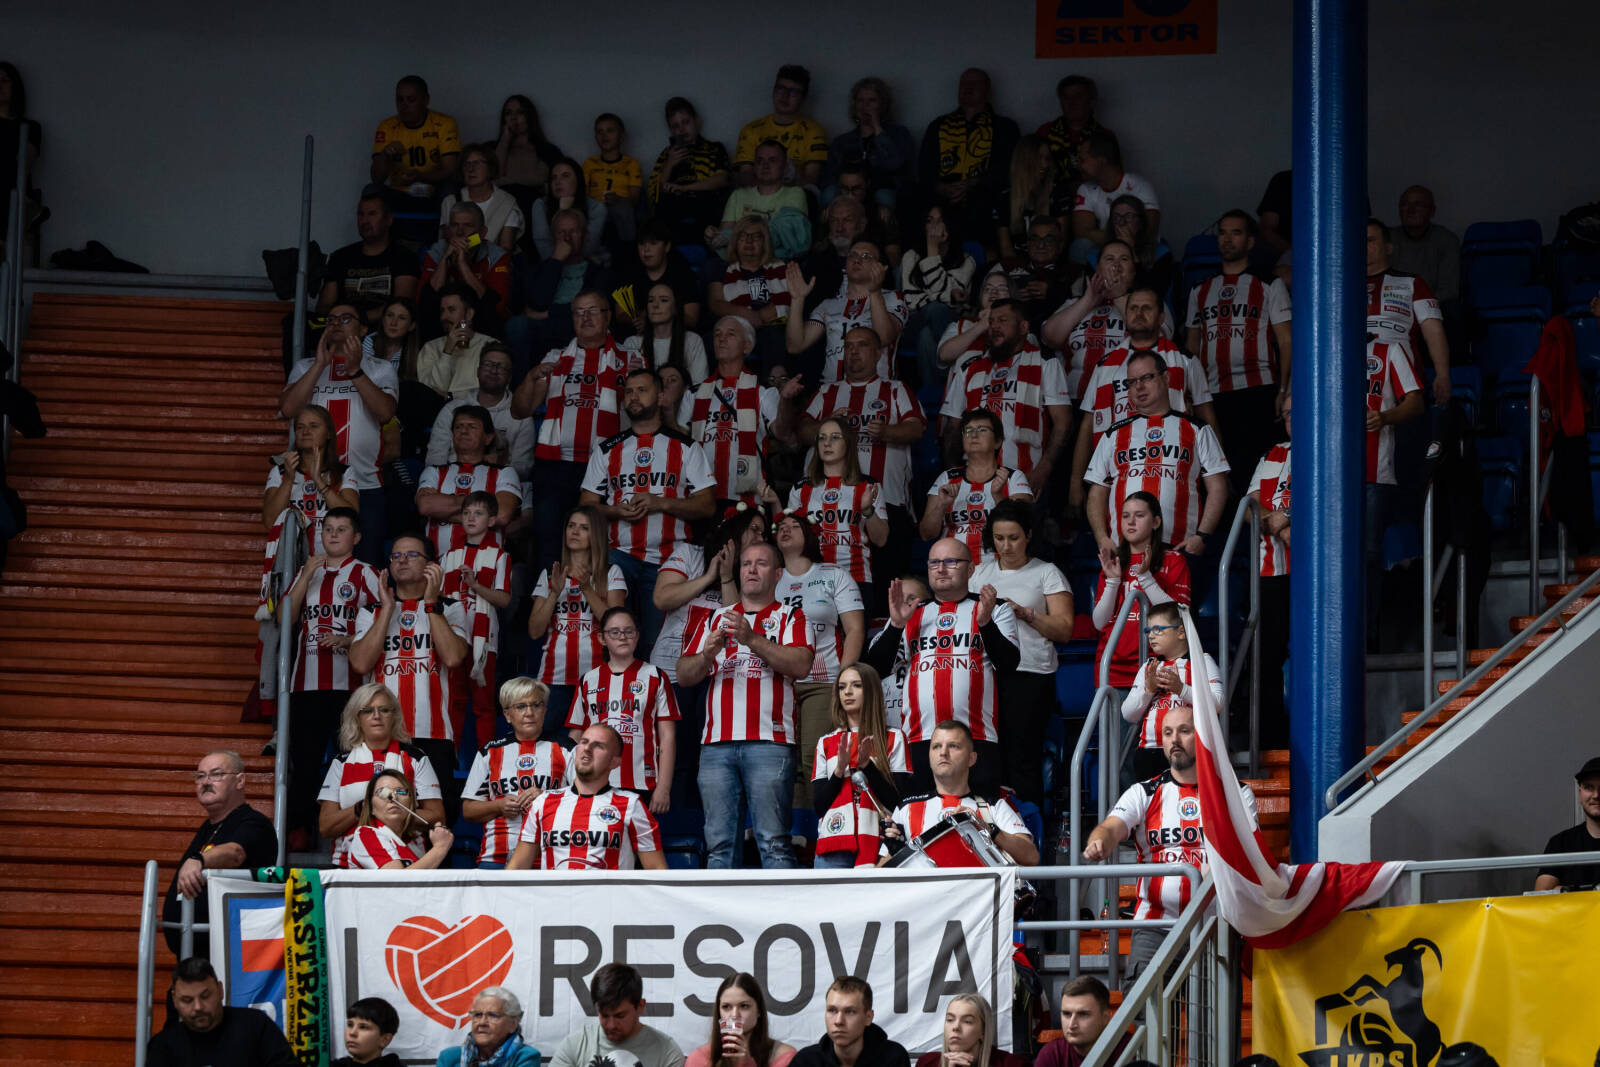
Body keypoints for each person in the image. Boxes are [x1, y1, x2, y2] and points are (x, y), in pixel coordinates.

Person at [1084, 703, 1258, 982]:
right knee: (1144, 1008)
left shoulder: (1236, 794)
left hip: (1215, 926)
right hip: (1155, 928)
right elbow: (1110, 827)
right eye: (1167, 733)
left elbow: (1247, 852)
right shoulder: (1143, 792)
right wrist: (1100, 842)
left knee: (1210, 1013)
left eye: (1184, 731)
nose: (1174, 739)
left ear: (1202, 736)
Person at [679, 542, 815, 868]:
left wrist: (752, 639)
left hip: (770, 742)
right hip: (715, 745)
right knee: (719, 846)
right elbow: (683, 675)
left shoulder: (791, 616)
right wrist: (706, 655)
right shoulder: (714, 617)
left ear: (778, 574)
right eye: (746, 564)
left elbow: (801, 665)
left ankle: (780, 904)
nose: (751, 569)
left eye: (761, 563)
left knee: (774, 842)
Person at [864, 540, 1020, 797]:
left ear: (970, 569)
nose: (941, 568)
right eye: (934, 563)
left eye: (951, 562)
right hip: (919, 739)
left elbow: (1009, 664)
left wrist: (985, 624)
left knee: (979, 816)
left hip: (977, 738)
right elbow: (874, 669)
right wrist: (895, 626)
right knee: (920, 816)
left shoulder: (995, 609)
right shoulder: (911, 613)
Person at [579, 368, 716, 651]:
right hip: (619, 554)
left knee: (656, 645)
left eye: (642, 390)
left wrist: (661, 502)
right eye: (629, 391)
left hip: (669, 559)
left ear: (661, 397)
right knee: (615, 639)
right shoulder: (607, 449)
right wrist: (616, 511)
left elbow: (707, 506)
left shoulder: (687, 447)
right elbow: (586, 506)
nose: (634, 397)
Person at [513, 290, 641, 568]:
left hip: (606, 466)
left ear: (608, 317)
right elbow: (521, 410)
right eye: (579, 312)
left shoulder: (630, 358)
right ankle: (547, 595)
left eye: (593, 311)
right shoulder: (556, 357)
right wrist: (531, 377)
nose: (586, 317)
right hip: (554, 465)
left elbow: (643, 411)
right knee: (549, 543)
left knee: (600, 545)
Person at [789, 328, 925, 590]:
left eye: (861, 345)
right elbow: (802, 431)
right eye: (848, 346)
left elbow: (916, 429)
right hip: (825, 505)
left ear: (878, 354)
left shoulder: (895, 389)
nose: (853, 351)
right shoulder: (828, 391)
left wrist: (886, 432)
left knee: (886, 587)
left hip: (887, 501)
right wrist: (827, 425)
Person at [349, 532, 470, 818]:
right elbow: (360, 663)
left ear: (431, 565)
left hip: (434, 733)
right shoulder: (371, 611)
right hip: (382, 733)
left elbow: (453, 657)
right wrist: (387, 610)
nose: (402, 560)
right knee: (379, 814)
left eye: (412, 554)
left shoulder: (451, 607)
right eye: (396, 556)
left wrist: (431, 604)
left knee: (434, 820)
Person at [751, 509, 865, 808]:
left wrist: (843, 679)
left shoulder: (833, 574)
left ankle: (823, 827)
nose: (786, 529)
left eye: (795, 525)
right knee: (782, 763)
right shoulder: (769, 578)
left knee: (812, 759)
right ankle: (794, 829)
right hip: (777, 682)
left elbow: (854, 629)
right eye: (781, 526)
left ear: (810, 535)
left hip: (823, 683)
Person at [281, 507, 382, 839]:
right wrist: (305, 576)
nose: (334, 535)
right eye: (328, 529)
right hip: (305, 684)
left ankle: (353, 828)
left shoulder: (365, 573)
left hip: (350, 687)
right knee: (305, 762)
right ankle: (300, 831)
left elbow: (385, 623)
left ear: (357, 537)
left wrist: (350, 640)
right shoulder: (307, 571)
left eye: (341, 529)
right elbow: (285, 618)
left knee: (351, 759)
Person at [1070, 285, 1217, 510]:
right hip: (1114, 472)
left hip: (1169, 470)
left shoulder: (1185, 360)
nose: (1138, 313)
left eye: (1146, 308)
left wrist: (1215, 469)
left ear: (1161, 317)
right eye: (1133, 308)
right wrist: (1075, 482)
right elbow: (1087, 425)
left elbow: (1206, 416)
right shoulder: (1104, 365)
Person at [1184, 210, 1293, 496]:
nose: (1227, 239)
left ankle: (1256, 525)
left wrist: (1284, 389)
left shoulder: (1269, 284)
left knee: (1257, 472)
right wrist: (1190, 394)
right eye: (1222, 233)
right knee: (1220, 473)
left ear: (1251, 241)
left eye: (1236, 233)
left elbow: (1286, 341)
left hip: (1259, 391)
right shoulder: (1200, 289)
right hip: (1213, 395)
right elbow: (1192, 347)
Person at [279, 305, 400, 560]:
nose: (336, 323)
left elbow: (385, 412)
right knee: (309, 565)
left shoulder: (380, 368)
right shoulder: (305, 367)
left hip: (365, 484)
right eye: (331, 318)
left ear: (363, 329)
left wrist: (355, 371)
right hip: (311, 484)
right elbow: (288, 409)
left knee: (365, 565)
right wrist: (319, 365)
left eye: (346, 318)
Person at [973, 499, 1072, 807]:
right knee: (988, 757)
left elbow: (1065, 629)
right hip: (987, 675)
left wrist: (1026, 614)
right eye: (999, 538)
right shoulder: (978, 574)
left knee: (1023, 759)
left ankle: (1029, 827)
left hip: (1030, 674)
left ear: (1028, 535)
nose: (1006, 546)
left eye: (1014, 538)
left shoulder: (1047, 572)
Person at [1084, 350, 1230, 553]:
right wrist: (1102, 538)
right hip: (1124, 550)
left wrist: (1202, 536)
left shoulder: (1197, 428)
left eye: (1146, 377)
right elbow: (1097, 491)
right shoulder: (1113, 433)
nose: (1139, 386)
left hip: (1178, 548)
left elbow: (1218, 487)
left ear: (1166, 378)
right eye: (1131, 382)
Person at [940, 298, 1070, 491]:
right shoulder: (969, 368)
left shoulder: (1046, 363)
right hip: (972, 482)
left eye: (1002, 320)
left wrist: (1044, 469)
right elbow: (952, 427)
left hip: (1025, 480)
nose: (994, 327)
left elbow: (1063, 423)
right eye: (991, 321)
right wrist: (953, 474)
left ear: (1023, 327)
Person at [162, 752, 276, 956]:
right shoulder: (208, 827)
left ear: (240, 781)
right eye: (200, 776)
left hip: (229, 957)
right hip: (194, 955)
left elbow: (235, 852)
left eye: (216, 774)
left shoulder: (254, 822)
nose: (206, 782)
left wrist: (199, 860)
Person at [507, 723, 667, 870]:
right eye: (583, 742)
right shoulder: (543, 802)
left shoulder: (632, 805)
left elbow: (658, 871)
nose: (587, 749)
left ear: (615, 762)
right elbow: (516, 868)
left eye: (598, 746)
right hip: (555, 894)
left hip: (608, 894)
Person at [319, 683, 444, 868]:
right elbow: (325, 826)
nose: (376, 716)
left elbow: (437, 817)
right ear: (357, 717)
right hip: (349, 865)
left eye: (384, 710)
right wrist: (361, 808)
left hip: (409, 861)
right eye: (367, 710)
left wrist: (394, 810)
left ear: (394, 716)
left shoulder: (415, 758)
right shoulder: (341, 762)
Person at [570, 607, 681, 812]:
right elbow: (576, 737)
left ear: (637, 636)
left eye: (629, 631)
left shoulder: (655, 676)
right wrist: (574, 781)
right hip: (595, 782)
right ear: (602, 638)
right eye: (615, 632)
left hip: (642, 783)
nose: (622, 637)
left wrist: (664, 788)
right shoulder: (588, 680)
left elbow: (667, 737)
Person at [883, 721, 1038, 865]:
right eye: (936, 746)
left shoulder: (994, 806)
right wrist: (894, 853)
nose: (943, 752)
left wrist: (988, 829)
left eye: (953, 746)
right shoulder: (906, 809)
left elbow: (1032, 858)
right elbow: (878, 874)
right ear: (929, 756)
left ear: (972, 758)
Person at [530, 506, 629, 729]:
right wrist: (554, 593)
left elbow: (617, 627)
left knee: (596, 742)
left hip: (598, 676)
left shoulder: (611, 572)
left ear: (596, 536)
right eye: (571, 526)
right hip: (552, 678)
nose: (575, 531)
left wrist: (587, 588)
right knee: (549, 744)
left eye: (584, 528)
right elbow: (535, 631)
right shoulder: (550, 574)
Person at [462, 677, 571, 868]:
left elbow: (587, 802)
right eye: (521, 707)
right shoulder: (490, 752)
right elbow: (468, 811)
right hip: (496, 856)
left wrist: (547, 798)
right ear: (507, 715)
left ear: (545, 710)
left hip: (550, 857)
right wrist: (498, 805)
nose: (529, 712)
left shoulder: (567, 748)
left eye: (536, 705)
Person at [811, 664, 910, 868]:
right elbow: (819, 807)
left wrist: (867, 766)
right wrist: (839, 771)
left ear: (871, 691)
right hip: (833, 845)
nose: (847, 692)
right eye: (842, 687)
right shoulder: (826, 742)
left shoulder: (894, 738)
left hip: (879, 843)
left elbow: (899, 804)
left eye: (856, 685)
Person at [780, 417, 889, 601]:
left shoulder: (869, 485)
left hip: (856, 578)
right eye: (822, 438)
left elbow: (881, 539)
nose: (827, 443)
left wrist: (867, 510)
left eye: (835, 437)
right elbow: (788, 538)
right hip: (810, 578)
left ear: (849, 443)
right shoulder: (800, 488)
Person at [1091, 491, 1190, 690]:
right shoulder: (1114, 563)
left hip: (1158, 669)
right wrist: (1113, 582)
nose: (1130, 521)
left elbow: (1179, 616)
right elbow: (1099, 623)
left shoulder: (1173, 560)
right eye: (1125, 516)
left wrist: (1145, 578)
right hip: (1112, 669)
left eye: (1139, 515)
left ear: (1156, 522)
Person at [440, 491, 513, 746]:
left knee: (483, 705)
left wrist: (475, 585)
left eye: (478, 513)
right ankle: (450, 759)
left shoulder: (499, 556)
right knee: (454, 701)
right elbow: (440, 597)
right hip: (453, 638)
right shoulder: (449, 555)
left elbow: (504, 599)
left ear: (491, 520)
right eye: (467, 513)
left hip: (484, 639)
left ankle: (487, 761)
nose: (471, 518)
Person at [1362, 334, 1423, 641]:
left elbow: (1415, 401)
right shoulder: (1323, 348)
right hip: (1329, 477)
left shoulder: (1388, 350)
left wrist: (1385, 417)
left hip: (1375, 473)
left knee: (1369, 555)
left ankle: (1369, 635)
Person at [1121, 601, 1221, 782]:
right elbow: (1128, 714)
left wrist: (1181, 689)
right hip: (1149, 751)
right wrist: (1148, 690)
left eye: (1158, 629)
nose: (1151, 636)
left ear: (1181, 632)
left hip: (1189, 751)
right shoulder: (1148, 667)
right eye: (1148, 630)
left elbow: (1218, 703)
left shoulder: (1202, 661)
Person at [920, 69, 1020, 248]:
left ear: (987, 91)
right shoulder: (939, 125)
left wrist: (972, 183)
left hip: (982, 192)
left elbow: (1008, 169)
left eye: (975, 83)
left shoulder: (1005, 127)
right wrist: (941, 187)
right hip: (942, 193)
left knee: (984, 199)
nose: (968, 87)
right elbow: (924, 167)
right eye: (964, 83)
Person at [687, 317, 783, 504]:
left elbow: (782, 432)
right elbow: (679, 439)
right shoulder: (693, 393)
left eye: (730, 334)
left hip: (749, 500)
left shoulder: (763, 391)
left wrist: (785, 400)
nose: (721, 339)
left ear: (747, 346)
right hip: (702, 501)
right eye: (717, 334)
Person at [785, 240, 908, 386]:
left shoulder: (893, 298)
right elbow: (795, 345)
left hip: (878, 390)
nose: (857, 260)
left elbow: (883, 338)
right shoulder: (828, 305)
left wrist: (874, 291)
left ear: (881, 267)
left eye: (866, 256)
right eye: (852, 255)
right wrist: (797, 300)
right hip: (831, 391)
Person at [509, 208, 620, 366]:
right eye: (561, 232)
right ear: (553, 237)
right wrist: (556, 260)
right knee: (517, 325)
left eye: (573, 231)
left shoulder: (599, 273)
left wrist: (547, 313)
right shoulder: (541, 269)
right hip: (545, 330)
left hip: (577, 327)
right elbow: (537, 303)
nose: (567, 238)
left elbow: (593, 309)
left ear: (584, 235)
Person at [921, 409, 1033, 565]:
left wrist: (998, 496)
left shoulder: (1013, 477)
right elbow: (926, 534)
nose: (973, 435)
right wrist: (941, 506)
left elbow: (1024, 527)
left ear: (997, 441)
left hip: (999, 567)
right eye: (968, 430)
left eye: (982, 430)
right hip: (953, 568)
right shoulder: (947, 478)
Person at [1040, 239, 1146, 402]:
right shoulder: (1076, 303)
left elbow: (1151, 338)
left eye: (1124, 259)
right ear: (1098, 268)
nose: (1116, 266)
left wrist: (1118, 296)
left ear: (1133, 271)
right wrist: (1088, 301)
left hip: (1125, 400)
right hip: (1074, 399)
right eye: (1109, 259)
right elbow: (1050, 338)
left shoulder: (1149, 304)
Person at [146, 958, 296, 1067]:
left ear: (220, 990)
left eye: (205, 996)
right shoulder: (163, 1046)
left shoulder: (256, 1026)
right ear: (174, 999)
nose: (198, 1007)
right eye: (187, 1000)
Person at [415, 405, 521, 559]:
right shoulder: (434, 471)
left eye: (472, 427)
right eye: (458, 427)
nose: (464, 431)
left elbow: (502, 515)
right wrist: (483, 508)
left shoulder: (504, 473)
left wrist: (442, 512)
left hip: (486, 565)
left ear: (488, 437)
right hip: (437, 566)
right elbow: (426, 505)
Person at [1246, 398, 1292, 748]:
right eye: (1287, 413)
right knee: (1266, 660)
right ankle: (1273, 744)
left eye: (1297, 411)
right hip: (1270, 573)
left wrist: (1287, 516)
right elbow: (1250, 506)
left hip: (1316, 576)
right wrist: (1281, 525)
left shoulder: (1333, 445)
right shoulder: (1273, 454)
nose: (1291, 418)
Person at [1367, 217, 1450, 406]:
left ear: (1388, 248)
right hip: (1354, 375)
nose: (1364, 245)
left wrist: (1443, 375)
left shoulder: (1412, 282)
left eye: (1371, 240)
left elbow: (1433, 330)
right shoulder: (1340, 287)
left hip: (1403, 380)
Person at [426, 344, 535, 485]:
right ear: (478, 371)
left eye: (501, 367)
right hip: (451, 482)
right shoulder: (452, 409)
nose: (494, 370)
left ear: (509, 377)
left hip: (499, 485)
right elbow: (435, 458)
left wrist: (500, 467)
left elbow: (524, 468)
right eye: (488, 364)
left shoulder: (521, 415)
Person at [263, 404, 360, 555]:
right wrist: (288, 479)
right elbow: (270, 522)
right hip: (291, 560)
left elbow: (351, 519)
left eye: (314, 426)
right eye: (300, 427)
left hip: (332, 558)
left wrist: (319, 481)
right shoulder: (280, 471)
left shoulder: (344, 472)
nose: (306, 431)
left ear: (328, 433)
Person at [549, 963, 687, 1067]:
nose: (611, 1025)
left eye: (620, 1016)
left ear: (640, 1006)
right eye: (604, 1015)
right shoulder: (575, 1045)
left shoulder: (667, 1052)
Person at [318, 192, 421, 326]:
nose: (365, 221)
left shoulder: (405, 257)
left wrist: (355, 319)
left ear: (389, 219)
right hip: (342, 328)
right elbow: (324, 307)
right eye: (361, 214)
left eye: (372, 214)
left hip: (385, 330)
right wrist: (345, 321)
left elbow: (401, 307)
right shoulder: (340, 257)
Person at [902, 204, 977, 385]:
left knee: (927, 336)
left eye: (940, 220)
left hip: (951, 323)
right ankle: (953, 376)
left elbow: (952, 304)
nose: (934, 226)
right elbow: (912, 302)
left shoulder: (967, 261)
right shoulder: (910, 256)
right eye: (929, 221)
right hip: (916, 320)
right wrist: (948, 297)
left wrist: (932, 250)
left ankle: (933, 390)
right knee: (936, 309)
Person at [709, 216, 795, 369]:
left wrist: (760, 317)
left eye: (756, 237)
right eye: (743, 236)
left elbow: (790, 301)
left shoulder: (783, 267)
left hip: (776, 327)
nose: (749, 241)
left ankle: (776, 379)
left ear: (765, 242)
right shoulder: (722, 269)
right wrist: (750, 316)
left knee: (773, 334)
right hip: (739, 327)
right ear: (735, 241)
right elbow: (716, 304)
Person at [647, 96, 733, 246]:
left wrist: (685, 188)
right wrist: (669, 164)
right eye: (675, 126)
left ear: (696, 121)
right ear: (671, 130)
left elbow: (722, 180)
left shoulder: (714, 148)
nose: (681, 129)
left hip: (705, 204)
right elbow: (653, 195)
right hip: (674, 207)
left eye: (686, 122)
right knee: (661, 214)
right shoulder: (667, 155)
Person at [1068, 131, 1160, 262]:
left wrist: (1114, 238)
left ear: (1101, 160)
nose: (1079, 166)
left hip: (1138, 250)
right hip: (1106, 252)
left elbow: (1148, 231)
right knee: (1080, 246)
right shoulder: (1086, 189)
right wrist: (1121, 237)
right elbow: (1082, 233)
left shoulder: (1140, 186)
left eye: (1083, 160)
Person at [422, 202, 513, 328]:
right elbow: (425, 302)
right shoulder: (437, 251)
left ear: (482, 233)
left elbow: (497, 307)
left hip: (482, 321)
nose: (460, 232)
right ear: (447, 231)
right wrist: (445, 259)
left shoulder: (496, 255)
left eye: (468, 226)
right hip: (444, 320)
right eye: (455, 225)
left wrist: (462, 264)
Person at [371, 75, 460, 205]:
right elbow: (376, 178)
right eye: (400, 100)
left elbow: (450, 170)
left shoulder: (444, 123)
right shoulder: (387, 126)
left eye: (411, 100)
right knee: (371, 190)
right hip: (399, 191)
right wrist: (385, 155)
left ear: (426, 100)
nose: (404, 106)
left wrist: (420, 176)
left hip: (433, 191)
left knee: (450, 191)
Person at [735, 65, 828, 189]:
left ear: (803, 98)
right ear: (773, 91)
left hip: (796, 195)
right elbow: (745, 175)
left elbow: (811, 178)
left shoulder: (814, 131)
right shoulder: (751, 130)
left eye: (794, 92)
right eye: (781, 89)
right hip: (758, 195)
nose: (785, 96)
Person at [712, 141, 810, 256]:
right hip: (739, 261)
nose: (765, 165)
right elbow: (722, 238)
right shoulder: (738, 195)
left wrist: (734, 237)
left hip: (775, 262)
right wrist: (712, 237)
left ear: (785, 167)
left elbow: (787, 236)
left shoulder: (795, 194)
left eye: (772, 160)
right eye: (760, 161)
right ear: (754, 167)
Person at [826, 77, 915, 204]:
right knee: (829, 194)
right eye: (860, 101)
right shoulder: (842, 142)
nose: (865, 106)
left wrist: (877, 127)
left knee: (884, 196)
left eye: (872, 101)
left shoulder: (899, 134)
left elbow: (894, 165)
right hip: (850, 191)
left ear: (882, 105)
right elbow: (831, 175)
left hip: (885, 191)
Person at [347, 767, 454, 869]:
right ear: (371, 808)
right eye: (382, 792)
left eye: (400, 791)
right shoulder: (366, 835)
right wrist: (440, 848)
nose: (393, 797)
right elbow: (397, 880)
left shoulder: (416, 840)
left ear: (411, 803)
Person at [789, 977, 910, 1067]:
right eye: (832, 1010)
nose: (838, 1021)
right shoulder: (805, 1061)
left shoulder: (894, 1058)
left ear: (868, 1017)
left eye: (850, 1012)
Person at [685, 973, 797, 1067]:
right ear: (719, 1012)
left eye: (744, 1006)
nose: (734, 1015)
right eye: (726, 1007)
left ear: (759, 1010)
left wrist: (746, 1063)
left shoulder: (785, 1058)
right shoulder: (699, 1059)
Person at [617, 219, 705, 334]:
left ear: (667, 246)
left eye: (653, 243)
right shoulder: (630, 272)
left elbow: (692, 318)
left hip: (675, 338)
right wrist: (638, 319)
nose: (646, 250)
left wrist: (655, 319)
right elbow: (620, 314)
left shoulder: (683, 274)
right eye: (641, 244)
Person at [997, 135, 1071, 264]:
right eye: (1038, 158)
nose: (1045, 165)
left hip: (1051, 264)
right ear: (1023, 161)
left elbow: (1060, 244)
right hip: (1016, 265)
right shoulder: (1004, 195)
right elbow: (1006, 249)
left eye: (1047, 159)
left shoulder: (1058, 191)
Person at [441, 143, 525, 251]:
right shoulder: (450, 201)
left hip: (492, 260)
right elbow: (446, 240)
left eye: (477, 163)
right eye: (466, 164)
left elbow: (505, 248)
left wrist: (468, 244)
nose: (470, 169)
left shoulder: (507, 204)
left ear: (490, 168)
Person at [417, 286, 497, 399]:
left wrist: (451, 396)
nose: (444, 317)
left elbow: (493, 392)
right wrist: (448, 350)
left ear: (469, 314)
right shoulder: (430, 347)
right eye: (442, 311)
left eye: (451, 310)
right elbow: (429, 394)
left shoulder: (490, 345)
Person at [1534, 756, 1600, 890]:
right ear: (1580, 794)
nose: (1596, 795)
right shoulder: (1560, 843)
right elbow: (1541, 895)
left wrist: (1566, 891)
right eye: (1589, 787)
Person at [624, 281, 710, 382]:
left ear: (676, 308)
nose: (655, 305)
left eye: (663, 300)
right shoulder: (632, 343)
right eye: (651, 300)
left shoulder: (692, 340)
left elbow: (699, 384)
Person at [936, 269, 1016, 375]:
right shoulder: (960, 326)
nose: (994, 292)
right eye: (987, 289)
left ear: (1012, 296)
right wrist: (981, 326)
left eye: (1002, 289)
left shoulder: (1020, 329)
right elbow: (944, 356)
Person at [1032, 978, 1127, 1067]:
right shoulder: (1052, 1053)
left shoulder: (1128, 1049)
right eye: (1067, 1014)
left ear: (1105, 1017)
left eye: (1083, 1014)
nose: (1072, 1024)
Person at [1037, 75, 1111, 189]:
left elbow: (1112, 180)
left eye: (1078, 97)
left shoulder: (1105, 137)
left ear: (1092, 102)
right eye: (1066, 98)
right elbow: (1032, 173)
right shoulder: (1045, 132)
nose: (1072, 103)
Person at [1390, 185, 1461, 305]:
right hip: (1392, 306)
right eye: (1405, 204)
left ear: (1432, 211)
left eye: (1418, 205)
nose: (1411, 210)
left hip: (1433, 307)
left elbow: (1449, 291)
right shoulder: (1387, 239)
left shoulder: (1446, 240)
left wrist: (1419, 306)